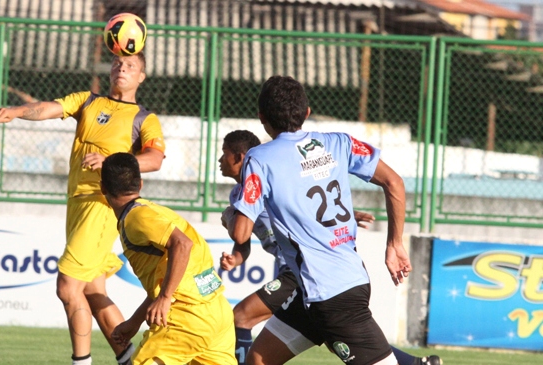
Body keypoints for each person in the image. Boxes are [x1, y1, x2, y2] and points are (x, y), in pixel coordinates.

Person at [0, 52, 165, 365]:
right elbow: (47, 108)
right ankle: (132, 359)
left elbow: (155, 159)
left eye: (131, 66)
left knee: (68, 286)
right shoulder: (87, 101)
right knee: (94, 291)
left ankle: (81, 363)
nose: (122, 68)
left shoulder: (143, 118)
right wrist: (15, 111)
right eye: (118, 64)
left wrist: (111, 162)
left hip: (102, 204)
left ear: (141, 77)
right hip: (77, 204)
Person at [226, 75, 411, 365]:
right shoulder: (339, 143)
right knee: (258, 360)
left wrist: (235, 213)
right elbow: (395, 183)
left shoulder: (259, 158)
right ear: (307, 112)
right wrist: (395, 244)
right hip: (321, 288)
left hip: (331, 296)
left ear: (261, 117)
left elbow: (241, 233)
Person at [219, 130, 441, 365]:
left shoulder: (266, 168)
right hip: (307, 286)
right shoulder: (244, 192)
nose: (220, 161)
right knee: (263, 357)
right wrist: (235, 258)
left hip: (312, 278)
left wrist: (230, 217)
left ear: (242, 156)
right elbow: (244, 241)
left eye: (224, 154)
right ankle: (415, 363)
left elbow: (242, 230)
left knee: (242, 316)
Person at [100, 152, 236, 365]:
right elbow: (166, 278)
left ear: (103, 189)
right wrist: (135, 322)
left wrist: (164, 298)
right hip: (217, 313)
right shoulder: (158, 212)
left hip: (185, 318)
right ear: (140, 184)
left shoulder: (137, 217)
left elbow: (182, 244)